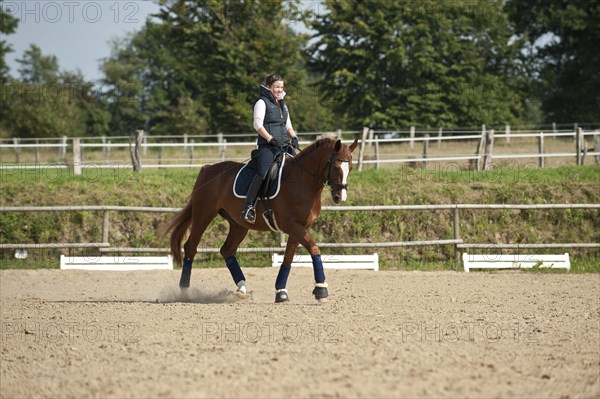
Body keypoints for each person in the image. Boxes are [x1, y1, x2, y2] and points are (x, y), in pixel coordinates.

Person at [241, 74, 299, 223]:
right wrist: (270, 139)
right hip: (268, 146)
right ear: (269, 87)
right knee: (263, 173)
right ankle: (248, 207)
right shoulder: (261, 102)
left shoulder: (282, 104)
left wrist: (294, 137)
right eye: (277, 87)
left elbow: (288, 126)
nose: (280, 89)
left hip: (284, 145)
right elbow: (257, 125)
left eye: (281, 87)